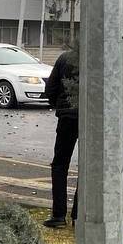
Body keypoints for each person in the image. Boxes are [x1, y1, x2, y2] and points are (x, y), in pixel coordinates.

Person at [44, 50, 78, 228]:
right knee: (88, 168)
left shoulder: (64, 58)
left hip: (67, 116)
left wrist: (59, 105)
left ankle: (58, 215)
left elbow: (50, 88)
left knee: (60, 164)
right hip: (91, 117)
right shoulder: (98, 58)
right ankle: (78, 214)